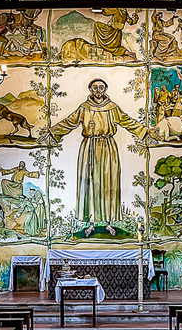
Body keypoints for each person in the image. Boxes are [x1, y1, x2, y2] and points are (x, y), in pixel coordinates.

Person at [42, 78, 150, 237]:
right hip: (89, 148)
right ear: (90, 90)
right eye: (95, 88)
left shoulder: (112, 108)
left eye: (101, 87)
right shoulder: (84, 108)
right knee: (90, 184)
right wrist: (52, 131)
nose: (98, 90)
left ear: (105, 89)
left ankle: (109, 223)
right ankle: (91, 224)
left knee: (109, 185)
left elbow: (127, 121)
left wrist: (145, 131)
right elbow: (70, 122)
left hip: (108, 148)